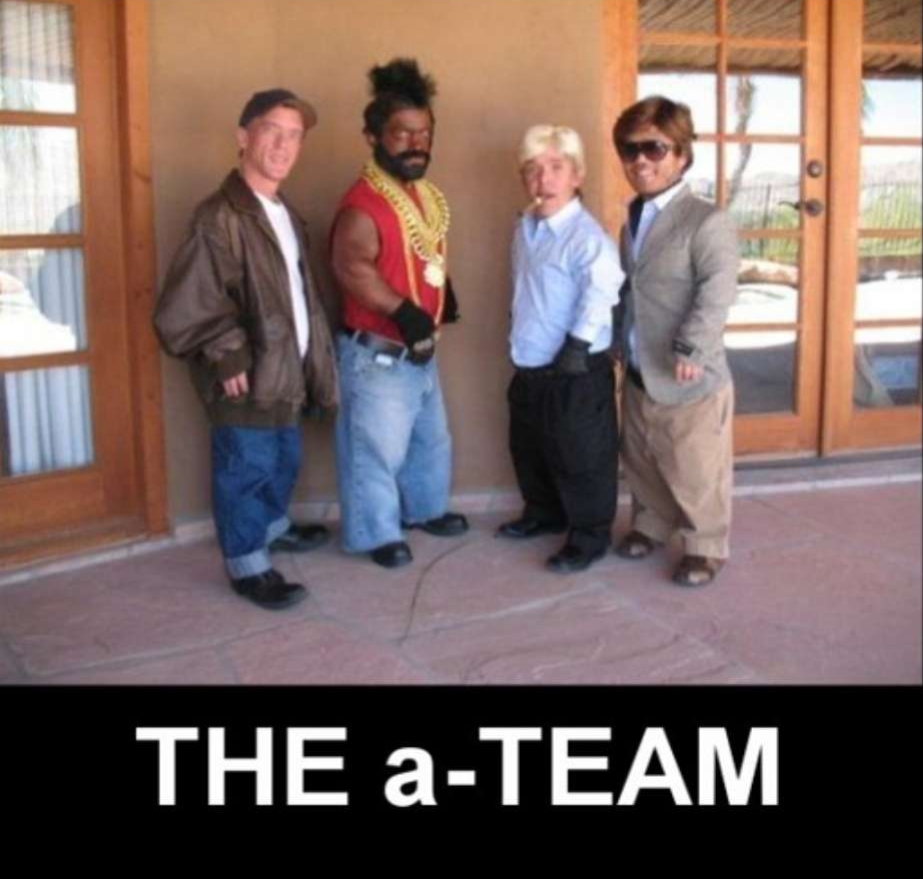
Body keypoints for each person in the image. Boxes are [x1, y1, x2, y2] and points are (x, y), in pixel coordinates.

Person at [154, 88, 338, 609]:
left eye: (294, 136)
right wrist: (226, 353)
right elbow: (187, 302)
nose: (283, 145)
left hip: (282, 372)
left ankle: (272, 527)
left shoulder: (281, 211)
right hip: (246, 373)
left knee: (282, 459)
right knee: (245, 468)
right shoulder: (219, 216)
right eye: (271, 132)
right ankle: (247, 565)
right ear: (243, 137)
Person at [330, 58, 467, 569]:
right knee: (375, 448)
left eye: (424, 133)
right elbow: (351, 268)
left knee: (429, 440)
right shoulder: (362, 203)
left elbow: (421, 249)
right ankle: (374, 533)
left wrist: (440, 295)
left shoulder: (423, 196)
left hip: (420, 350)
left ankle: (424, 510)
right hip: (379, 353)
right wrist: (406, 314)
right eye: (402, 133)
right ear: (373, 137)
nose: (416, 143)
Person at [612, 96, 739, 586]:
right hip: (641, 366)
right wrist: (618, 338)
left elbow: (718, 290)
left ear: (682, 155)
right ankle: (651, 524)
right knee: (643, 456)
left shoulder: (706, 220)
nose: (640, 160)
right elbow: (630, 287)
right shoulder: (634, 218)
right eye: (630, 150)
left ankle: (705, 546)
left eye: (655, 148)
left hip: (688, 372)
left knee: (694, 464)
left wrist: (692, 347)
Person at [497, 125, 623, 574]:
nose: (543, 179)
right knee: (530, 447)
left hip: (575, 367)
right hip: (530, 364)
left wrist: (576, 346)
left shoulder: (587, 237)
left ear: (577, 175)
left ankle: (590, 537)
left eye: (555, 167)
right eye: (532, 169)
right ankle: (544, 513)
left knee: (581, 456)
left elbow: (603, 290)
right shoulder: (525, 227)